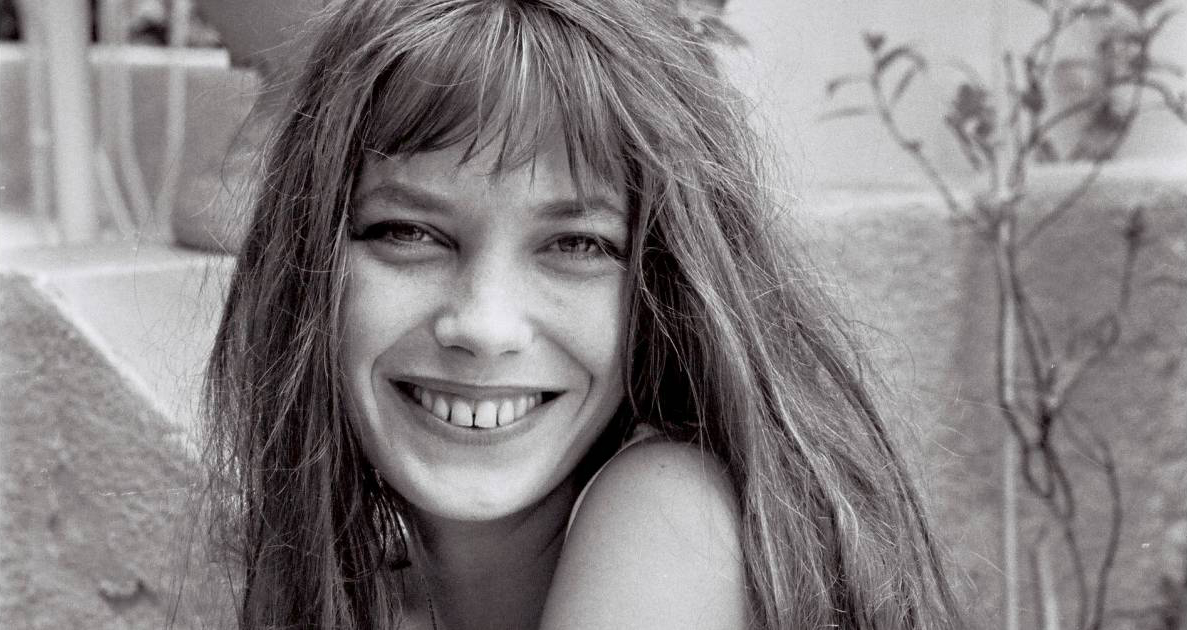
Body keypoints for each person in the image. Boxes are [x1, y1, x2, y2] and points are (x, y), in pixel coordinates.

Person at [199, 0, 963, 628]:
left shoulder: (669, 509)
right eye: (409, 233)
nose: (484, 325)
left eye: (576, 244)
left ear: (664, 287)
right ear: (306, 265)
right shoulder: (347, 584)